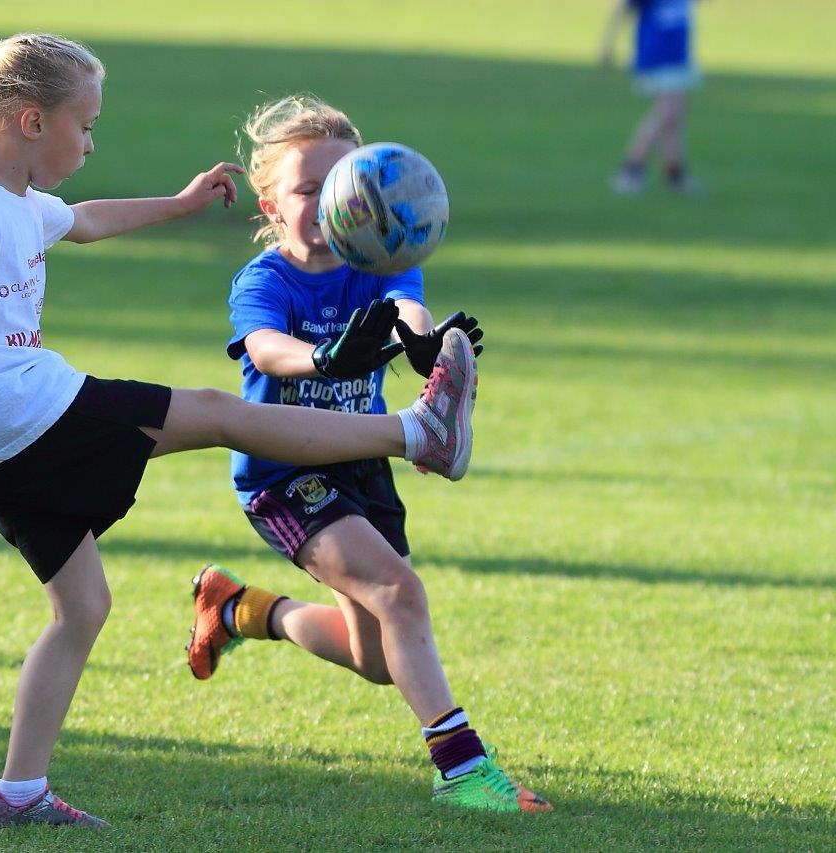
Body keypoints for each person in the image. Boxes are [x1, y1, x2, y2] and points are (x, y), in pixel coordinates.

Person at [0, 37, 477, 830]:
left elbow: (85, 222)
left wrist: (181, 202)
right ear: (31, 120)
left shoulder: (18, 196)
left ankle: (16, 793)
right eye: (84, 126)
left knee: (82, 608)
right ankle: (416, 433)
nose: (91, 142)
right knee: (216, 410)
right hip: (28, 412)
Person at [183, 94, 552, 814]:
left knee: (378, 658)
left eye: (341, 189)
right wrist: (323, 357)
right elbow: (266, 348)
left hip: (360, 465)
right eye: (307, 190)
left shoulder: (379, 258)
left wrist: (425, 345)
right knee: (400, 593)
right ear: (268, 202)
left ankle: (238, 609)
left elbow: (410, 305)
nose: (326, 206)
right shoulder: (266, 279)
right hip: (285, 476)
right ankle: (463, 770)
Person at [600, 0, 702, 195]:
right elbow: (624, 10)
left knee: (674, 119)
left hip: (679, 57)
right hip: (656, 57)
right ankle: (631, 169)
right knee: (665, 114)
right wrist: (608, 44)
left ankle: (675, 174)